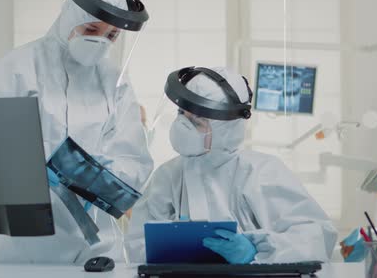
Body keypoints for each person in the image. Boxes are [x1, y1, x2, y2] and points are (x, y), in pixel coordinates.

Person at [0, 0, 154, 264]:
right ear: (71, 17)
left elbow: (134, 158)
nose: (101, 41)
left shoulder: (114, 81)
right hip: (19, 243)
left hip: (95, 246)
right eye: (92, 30)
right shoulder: (19, 67)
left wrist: (101, 176)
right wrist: (27, 169)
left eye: (112, 35)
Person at [124, 66, 338, 264]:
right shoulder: (168, 175)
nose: (182, 127)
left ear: (226, 129)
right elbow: (138, 244)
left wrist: (257, 249)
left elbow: (316, 235)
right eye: (182, 114)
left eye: (197, 121)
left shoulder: (262, 172)